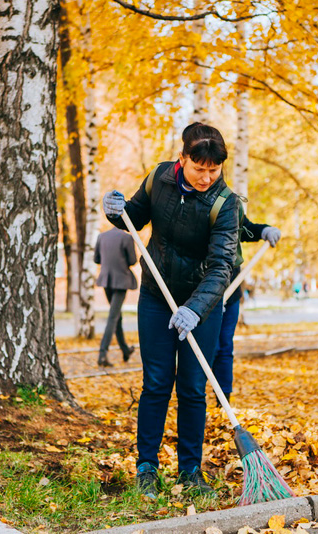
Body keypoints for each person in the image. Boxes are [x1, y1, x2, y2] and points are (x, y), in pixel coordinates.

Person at [102, 122, 239, 498]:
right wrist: (114, 210)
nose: (207, 178)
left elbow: (222, 266)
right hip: (155, 297)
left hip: (202, 305)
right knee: (157, 382)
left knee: (193, 387)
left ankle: (190, 470)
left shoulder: (226, 204)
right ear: (182, 159)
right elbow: (133, 217)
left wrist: (194, 309)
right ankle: (146, 466)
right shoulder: (159, 178)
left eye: (214, 170)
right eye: (199, 169)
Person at [212, 216, 281, 404]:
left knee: (225, 346)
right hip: (201, 288)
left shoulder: (229, 202)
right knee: (209, 347)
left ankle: (223, 398)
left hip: (231, 288)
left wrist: (265, 230)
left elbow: (247, 228)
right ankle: (194, 398)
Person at [94, 227, 138, 367]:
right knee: (113, 317)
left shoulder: (102, 236)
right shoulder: (126, 238)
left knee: (116, 316)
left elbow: (96, 259)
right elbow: (132, 260)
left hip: (106, 280)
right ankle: (102, 354)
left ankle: (125, 349)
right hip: (121, 281)